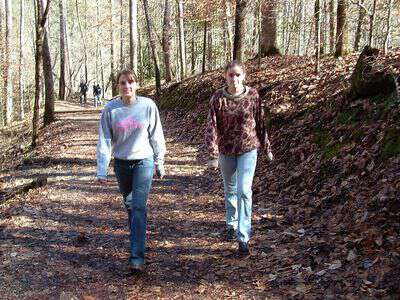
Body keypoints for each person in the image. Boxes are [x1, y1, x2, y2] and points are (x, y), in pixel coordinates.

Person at [96, 69, 166, 272]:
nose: (127, 86)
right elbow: (105, 140)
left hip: (144, 161)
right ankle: (138, 236)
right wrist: (102, 169)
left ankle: (137, 256)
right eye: (122, 83)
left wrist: (159, 162)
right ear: (117, 86)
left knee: (138, 206)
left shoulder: (148, 106)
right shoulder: (111, 109)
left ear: (137, 84)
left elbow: (156, 135)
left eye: (130, 82)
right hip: (122, 163)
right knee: (130, 205)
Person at [204, 60, 274, 256]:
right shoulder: (217, 98)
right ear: (225, 76)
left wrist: (267, 146)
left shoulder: (252, 95)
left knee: (244, 190)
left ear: (243, 76)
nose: (234, 79)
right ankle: (231, 224)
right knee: (231, 189)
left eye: (237, 75)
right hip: (226, 149)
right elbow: (212, 126)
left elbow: (260, 121)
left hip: (248, 148)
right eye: (230, 75)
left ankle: (243, 236)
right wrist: (213, 153)